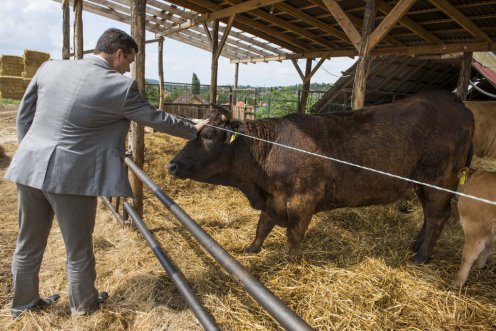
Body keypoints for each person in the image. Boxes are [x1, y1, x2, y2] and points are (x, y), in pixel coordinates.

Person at [5, 28, 209, 317]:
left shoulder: (50, 68)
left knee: (27, 243)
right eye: (130, 61)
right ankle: (84, 310)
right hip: (71, 178)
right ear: (118, 53)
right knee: (78, 249)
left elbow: (25, 113)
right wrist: (191, 129)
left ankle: (22, 307)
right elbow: (155, 117)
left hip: (29, 168)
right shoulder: (120, 88)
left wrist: (31, 151)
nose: (129, 68)